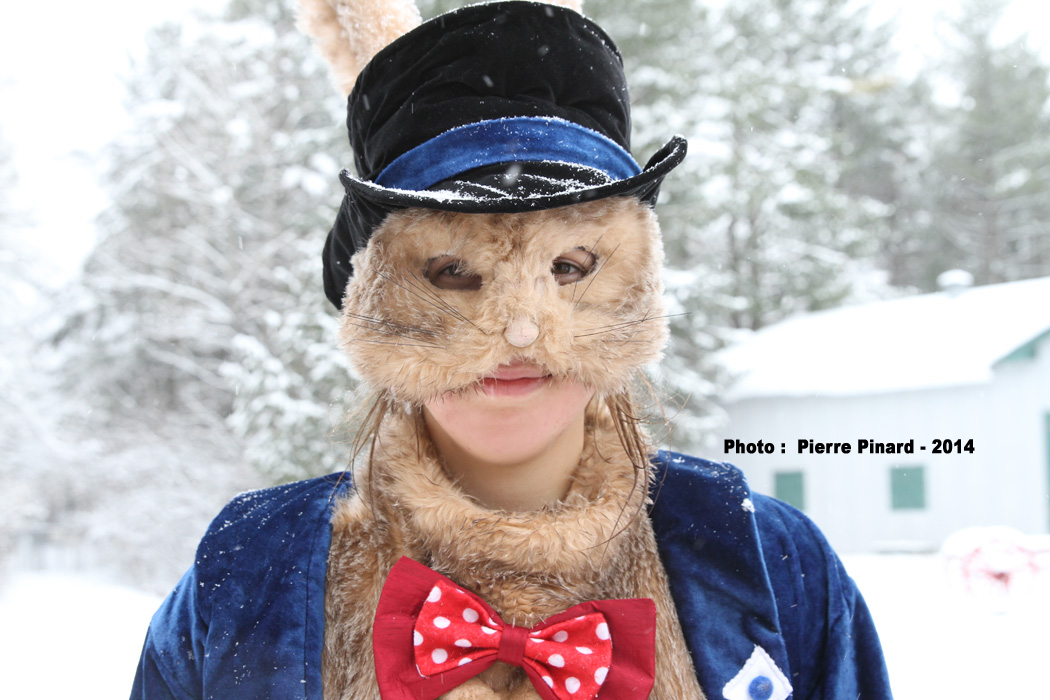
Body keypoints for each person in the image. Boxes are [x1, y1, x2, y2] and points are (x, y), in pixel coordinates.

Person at [131, 2, 893, 699]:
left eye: (570, 269)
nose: (521, 329)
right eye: (452, 272)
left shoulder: (768, 564)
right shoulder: (249, 570)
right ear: (372, 291)